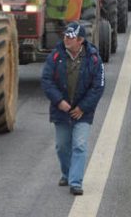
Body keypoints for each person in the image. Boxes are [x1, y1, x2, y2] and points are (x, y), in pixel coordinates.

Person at [41, 22, 105, 196]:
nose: (66, 39)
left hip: (83, 112)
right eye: (65, 36)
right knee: (62, 146)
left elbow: (98, 86)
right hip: (60, 110)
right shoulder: (55, 56)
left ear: (80, 40)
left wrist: (83, 107)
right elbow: (46, 81)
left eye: (70, 37)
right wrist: (59, 101)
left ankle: (75, 182)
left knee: (80, 145)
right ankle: (67, 173)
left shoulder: (93, 58)